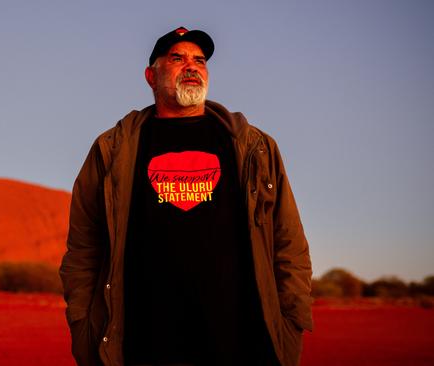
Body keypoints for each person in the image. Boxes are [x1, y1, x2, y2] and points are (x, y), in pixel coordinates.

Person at [60, 26, 312, 366]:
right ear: (151, 75)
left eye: (200, 60)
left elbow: (289, 242)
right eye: (177, 58)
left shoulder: (254, 147)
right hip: (142, 343)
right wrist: (82, 323)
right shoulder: (113, 150)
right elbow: (83, 249)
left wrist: (290, 320)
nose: (191, 66)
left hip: (241, 343)